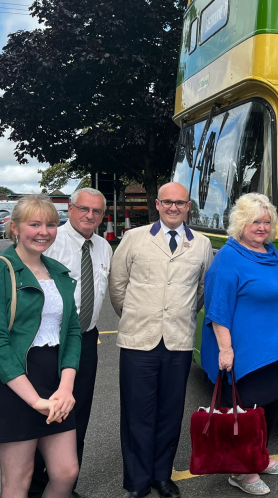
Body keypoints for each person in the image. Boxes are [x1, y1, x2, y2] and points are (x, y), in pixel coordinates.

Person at [200, 193, 278, 496]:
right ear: (241, 223)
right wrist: (225, 349)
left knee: (270, 406)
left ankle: (259, 457)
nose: (261, 227)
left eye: (266, 222)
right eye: (255, 222)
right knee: (247, 413)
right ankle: (242, 472)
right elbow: (218, 309)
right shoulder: (229, 257)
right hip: (245, 353)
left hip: (272, 350)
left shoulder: (270, 251)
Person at [0, 195, 82, 498]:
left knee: (65, 472)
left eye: (50, 224)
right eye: (34, 224)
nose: (44, 231)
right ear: (15, 228)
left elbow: (72, 331)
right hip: (14, 384)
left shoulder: (58, 272)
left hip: (55, 380)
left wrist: (66, 387)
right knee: (18, 481)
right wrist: (35, 400)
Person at [109, 182, 212, 498]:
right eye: (167, 202)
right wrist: (139, 314)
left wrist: (178, 315)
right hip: (139, 340)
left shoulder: (202, 245)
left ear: (188, 206)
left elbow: (201, 291)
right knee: (137, 414)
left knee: (170, 413)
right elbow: (118, 287)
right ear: (157, 204)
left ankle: (161, 476)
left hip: (178, 341)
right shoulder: (134, 238)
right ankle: (138, 482)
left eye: (180, 203)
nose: (173, 208)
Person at [29, 188, 112, 498]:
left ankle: (63, 484)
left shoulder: (104, 247)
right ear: (70, 208)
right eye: (83, 209)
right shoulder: (49, 242)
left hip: (86, 341)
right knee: (45, 413)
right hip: (48, 342)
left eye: (97, 212)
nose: (90, 216)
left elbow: (109, 292)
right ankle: (35, 486)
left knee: (78, 414)